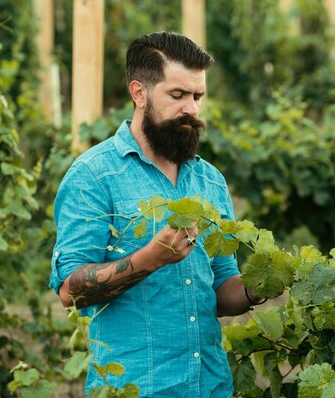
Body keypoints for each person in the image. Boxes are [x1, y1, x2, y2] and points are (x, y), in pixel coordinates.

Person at [49, 31, 264, 397]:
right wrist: (152, 258)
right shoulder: (94, 176)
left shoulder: (209, 180)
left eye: (197, 96)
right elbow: (71, 290)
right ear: (139, 93)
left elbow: (222, 286)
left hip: (209, 385)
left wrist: (257, 287)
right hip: (134, 388)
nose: (192, 109)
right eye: (178, 95)